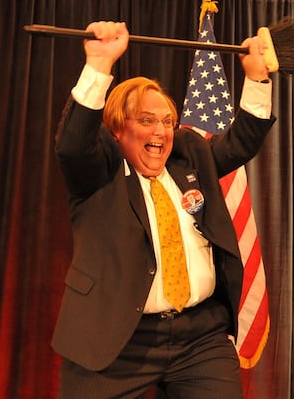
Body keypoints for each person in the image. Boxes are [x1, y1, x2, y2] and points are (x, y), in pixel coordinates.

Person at [52, 21, 276, 398]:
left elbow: (241, 143)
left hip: (199, 337)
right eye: (147, 120)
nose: (161, 132)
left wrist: (256, 78)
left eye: (167, 121)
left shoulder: (189, 156)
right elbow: (72, 145)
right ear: (117, 128)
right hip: (117, 338)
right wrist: (99, 65)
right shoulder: (97, 172)